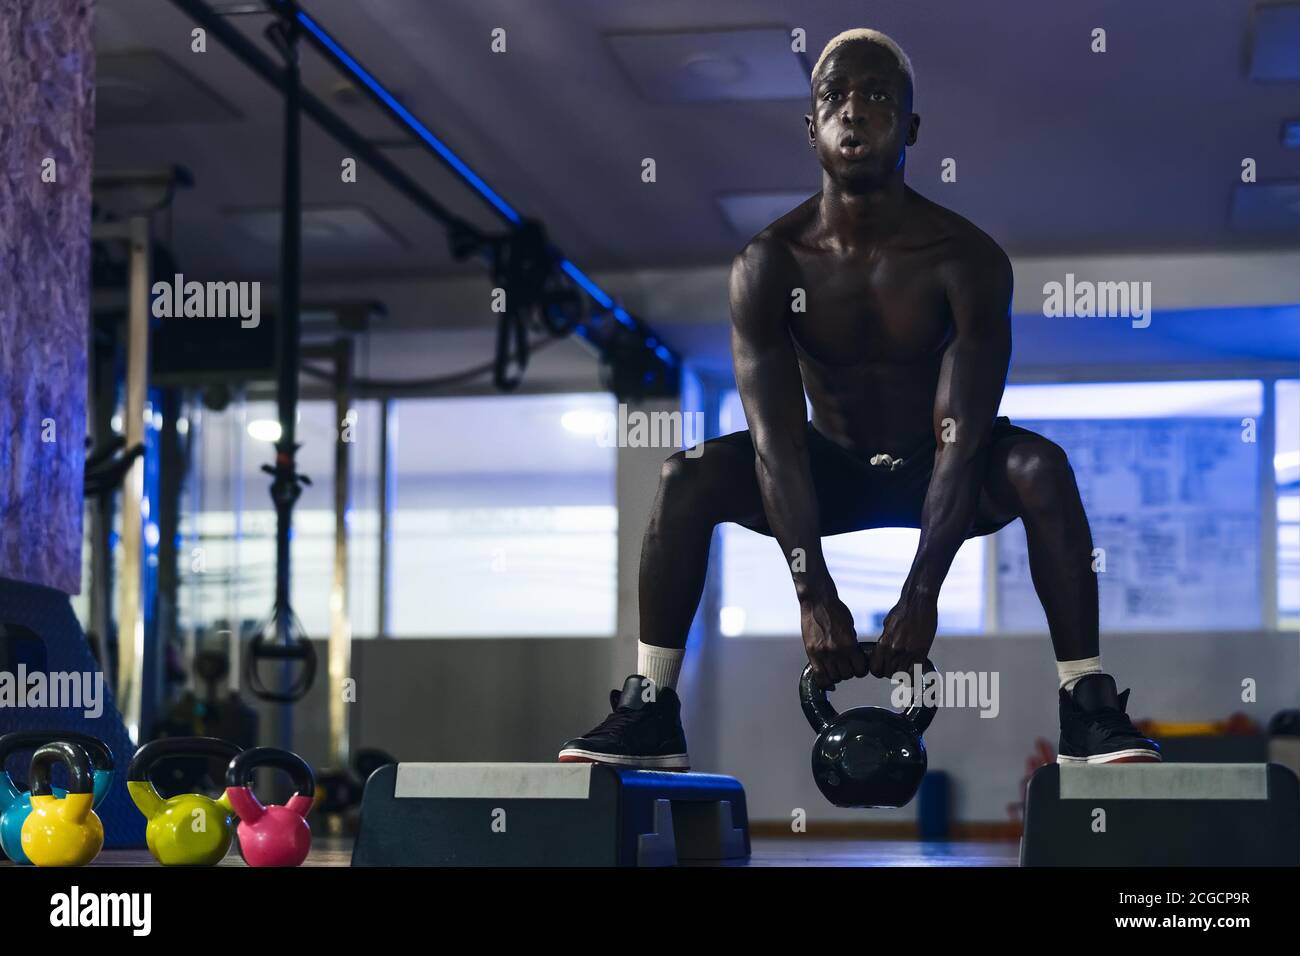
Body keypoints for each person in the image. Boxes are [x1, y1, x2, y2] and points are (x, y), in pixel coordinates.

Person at [558, 28, 1159, 771]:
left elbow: (962, 438)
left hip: (941, 470)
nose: (854, 111)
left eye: (876, 96)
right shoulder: (768, 264)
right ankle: (651, 708)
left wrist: (920, 593)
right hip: (825, 469)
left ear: (910, 128)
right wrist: (813, 595)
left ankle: (1085, 705)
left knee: (1041, 468)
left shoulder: (965, 260)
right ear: (811, 128)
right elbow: (776, 444)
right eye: (834, 96)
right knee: (686, 477)